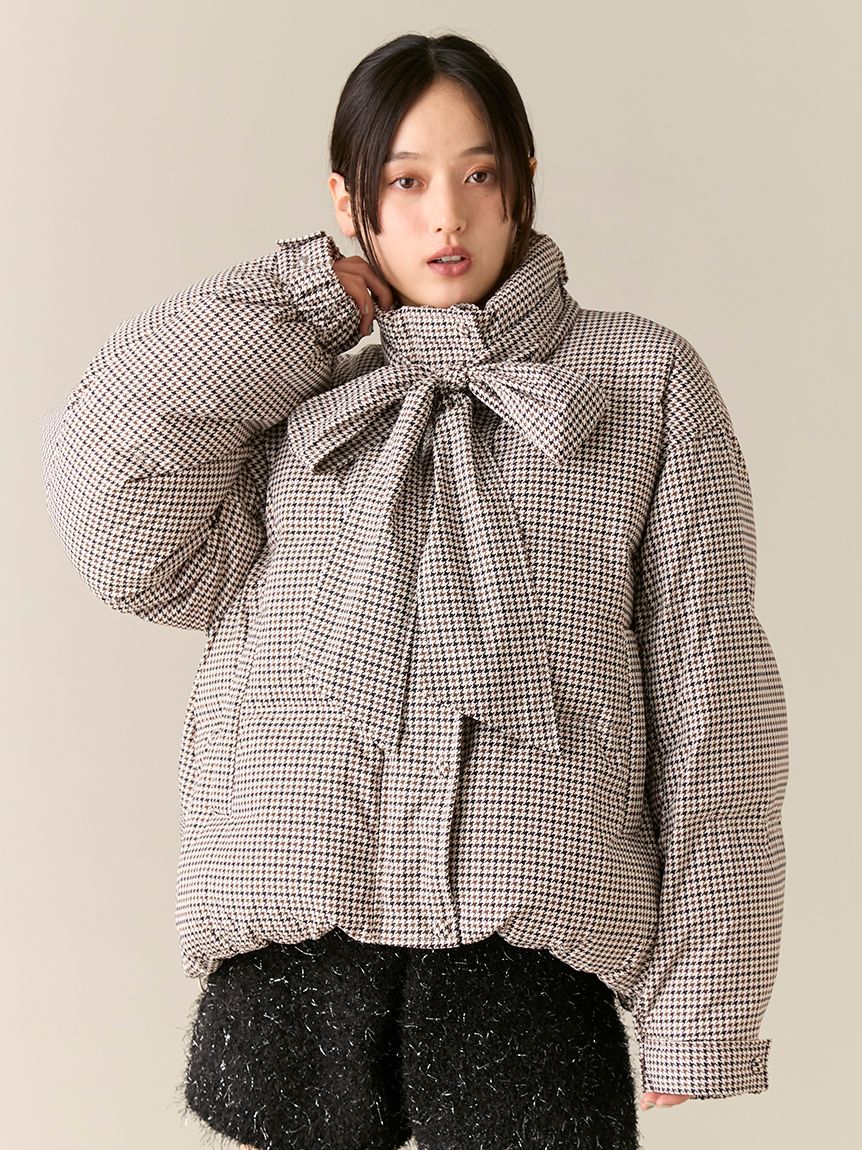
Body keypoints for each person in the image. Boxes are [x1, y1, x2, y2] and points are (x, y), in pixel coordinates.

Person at [39, 30, 788, 1150]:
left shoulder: (644, 381)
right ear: (348, 200)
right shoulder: (286, 390)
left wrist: (702, 1009)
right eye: (405, 181)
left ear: (523, 182)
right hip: (291, 969)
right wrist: (302, 304)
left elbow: (714, 699)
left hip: (529, 971)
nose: (448, 217)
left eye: (479, 174)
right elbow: (109, 501)